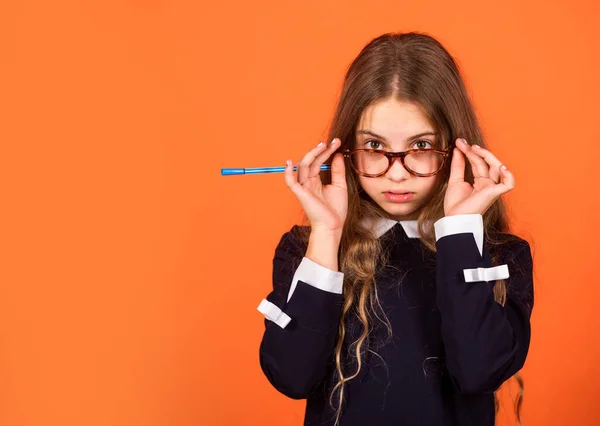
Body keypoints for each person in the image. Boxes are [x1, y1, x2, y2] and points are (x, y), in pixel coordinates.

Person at [256, 31, 534, 426]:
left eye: (420, 147)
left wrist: (458, 230)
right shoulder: (307, 248)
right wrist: (326, 234)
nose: (397, 174)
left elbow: (478, 371)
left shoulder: (499, 253)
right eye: (374, 147)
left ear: (457, 148)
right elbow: (291, 376)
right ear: (344, 150)